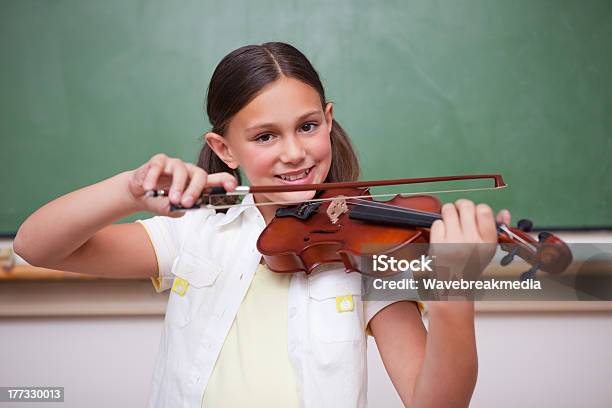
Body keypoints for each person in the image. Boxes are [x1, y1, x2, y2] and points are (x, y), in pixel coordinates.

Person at [14, 42, 511, 407]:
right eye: (265, 136)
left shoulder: (368, 254)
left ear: (329, 120)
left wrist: (453, 294)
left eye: (308, 126)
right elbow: (38, 246)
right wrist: (130, 189)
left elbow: (437, 403)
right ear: (225, 149)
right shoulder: (197, 235)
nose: (294, 152)